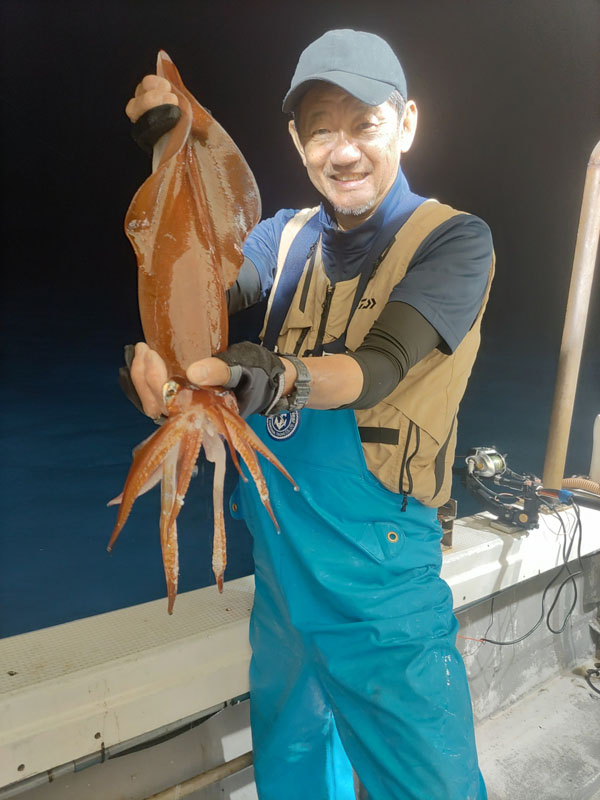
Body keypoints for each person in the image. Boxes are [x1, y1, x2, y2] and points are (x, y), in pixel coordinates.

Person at [125, 29, 493, 800]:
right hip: (283, 574)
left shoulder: (452, 241)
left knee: (428, 783)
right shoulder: (278, 238)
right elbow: (197, 299)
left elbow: (378, 367)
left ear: (408, 123)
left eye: (365, 123)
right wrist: (169, 154)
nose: (344, 150)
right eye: (322, 128)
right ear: (296, 142)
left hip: (380, 583)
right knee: (293, 773)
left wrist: (279, 373)